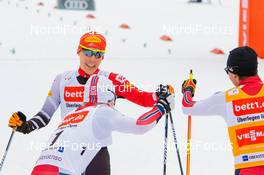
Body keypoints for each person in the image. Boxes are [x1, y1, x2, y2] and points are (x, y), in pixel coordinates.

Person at [8, 32, 161, 173]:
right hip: (67, 151)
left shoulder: (110, 80)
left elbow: (143, 98)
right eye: (88, 52)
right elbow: (45, 115)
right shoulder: (63, 80)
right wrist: (26, 126)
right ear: (78, 51)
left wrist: (161, 95)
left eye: (98, 54)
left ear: (103, 57)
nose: (92, 59)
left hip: (96, 152)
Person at [27, 75, 174, 175]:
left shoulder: (73, 114)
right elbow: (141, 125)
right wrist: (161, 106)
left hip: (39, 169)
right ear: (110, 98)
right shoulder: (102, 111)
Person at [181, 46, 264, 175]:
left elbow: (187, 106)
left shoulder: (226, 99)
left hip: (246, 169)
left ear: (235, 75)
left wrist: (188, 90)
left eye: (227, 71)